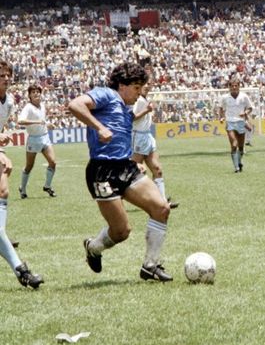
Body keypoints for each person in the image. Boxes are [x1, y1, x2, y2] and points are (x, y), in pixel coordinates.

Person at [68, 62, 173, 282]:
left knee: (161, 208)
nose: (139, 92)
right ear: (122, 85)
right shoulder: (106, 94)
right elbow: (75, 105)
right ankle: (93, 248)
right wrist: (99, 128)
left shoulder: (126, 108)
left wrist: (134, 161)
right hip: (102, 172)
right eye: (136, 87)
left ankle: (150, 266)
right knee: (121, 232)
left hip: (125, 167)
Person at [0, 61, 43, 288]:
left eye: (8, 75)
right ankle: (20, 269)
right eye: (1, 75)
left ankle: (18, 266)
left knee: (4, 189)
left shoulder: (8, 102)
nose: (5, 78)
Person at [131, 83, 178, 209]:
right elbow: (132, 117)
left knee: (157, 169)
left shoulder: (145, 99)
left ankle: (162, 202)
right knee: (133, 172)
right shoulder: (138, 100)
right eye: (144, 84)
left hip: (147, 136)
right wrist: (147, 110)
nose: (147, 86)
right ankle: (117, 195)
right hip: (138, 137)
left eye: (148, 84)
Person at [17, 85, 57, 199]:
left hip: (44, 137)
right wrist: (38, 122)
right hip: (33, 139)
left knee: (53, 162)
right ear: (29, 95)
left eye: (38, 92)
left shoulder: (43, 106)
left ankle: (47, 186)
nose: (36, 94)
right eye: (33, 92)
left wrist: (48, 124)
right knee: (29, 166)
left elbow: (43, 120)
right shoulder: (28, 107)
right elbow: (20, 121)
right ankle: (23, 189)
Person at [219, 78, 253, 173]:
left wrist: (245, 113)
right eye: (232, 86)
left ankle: (239, 162)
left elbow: (250, 108)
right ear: (229, 87)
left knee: (241, 147)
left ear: (239, 86)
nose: (234, 87)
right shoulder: (225, 97)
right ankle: (236, 168)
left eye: (236, 85)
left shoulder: (244, 96)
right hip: (230, 122)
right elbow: (221, 108)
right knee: (234, 145)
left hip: (241, 122)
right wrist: (221, 117)